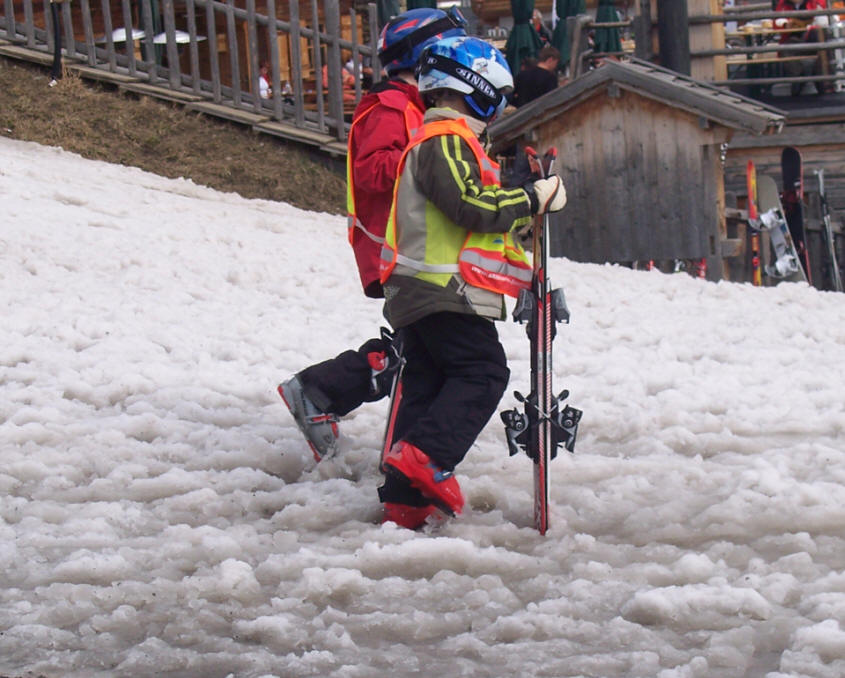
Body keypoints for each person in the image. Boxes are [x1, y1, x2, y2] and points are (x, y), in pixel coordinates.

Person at [278, 8, 468, 525]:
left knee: (417, 349)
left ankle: (330, 396)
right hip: (393, 248)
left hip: (413, 249)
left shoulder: (415, 106)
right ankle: (325, 394)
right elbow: (372, 171)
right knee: (418, 354)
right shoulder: (390, 107)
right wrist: (427, 158)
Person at [377, 36, 568, 526]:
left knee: (428, 385)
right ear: (476, 88)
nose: (499, 108)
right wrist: (532, 198)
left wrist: (519, 217)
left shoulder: (444, 141)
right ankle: (426, 457)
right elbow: (469, 206)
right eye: (497, 97)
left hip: (421, 287)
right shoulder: (446, 139)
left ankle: (405, 500)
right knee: (482, 373)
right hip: (443, 289)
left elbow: (468, 217)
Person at [774, 0, 832, 94]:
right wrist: (785, 25)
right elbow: (776, 22)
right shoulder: (783, 4)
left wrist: (810, 27)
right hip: (792, 38)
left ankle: (822, 81)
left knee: (820, 41)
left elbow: (825, 21)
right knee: (785, 50)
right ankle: (799, 78)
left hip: (814, 37)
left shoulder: (817, 2)